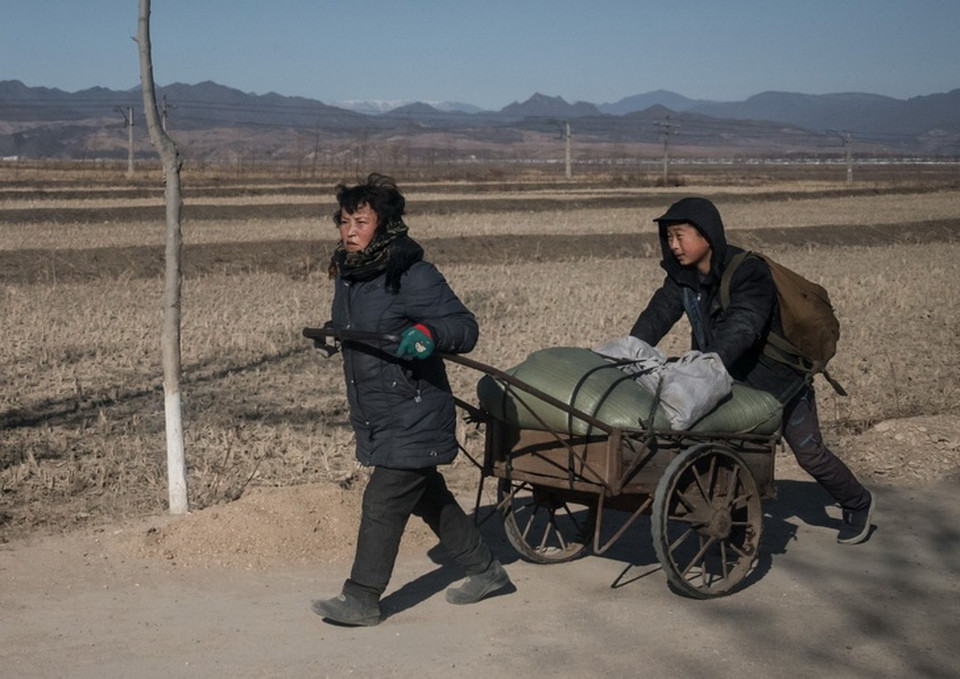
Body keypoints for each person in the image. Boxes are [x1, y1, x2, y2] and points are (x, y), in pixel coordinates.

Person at [311, 173, 512, 627]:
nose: (349, 231)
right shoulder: (351, 274)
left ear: (384, 225)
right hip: (379, 409)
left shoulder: (411, 273)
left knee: (383, 500)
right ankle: (487, 571)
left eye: (361, 221)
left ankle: (361, 598)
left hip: (416, 408)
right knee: (427, 495)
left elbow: (464, 327)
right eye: (344, 221)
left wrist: (429, 333)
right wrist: (332, 331)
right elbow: (367, 323)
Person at [629, 196, 875, 544]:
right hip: (722, 375)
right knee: (723, 448)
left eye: (680, 235)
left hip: (776, 380)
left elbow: (743, 325)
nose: (673, 245)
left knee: (809, 453)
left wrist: (708, 365)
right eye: (668, 237)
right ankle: (730, 525)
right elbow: (657, 315)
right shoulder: (682, 278)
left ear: (707, 235)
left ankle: (858, 501)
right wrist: (631, 349)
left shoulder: (748, 272)